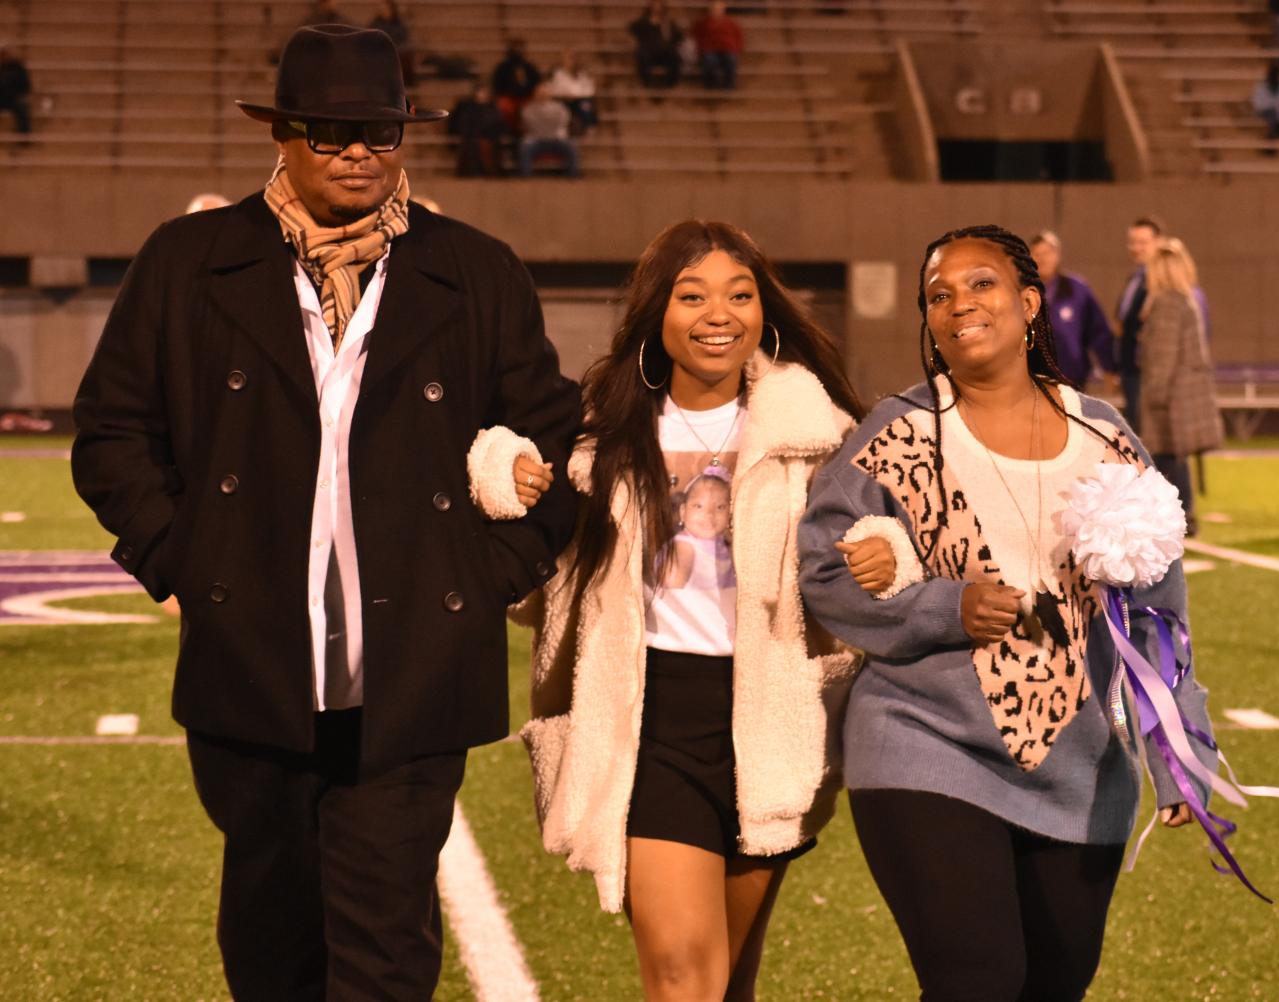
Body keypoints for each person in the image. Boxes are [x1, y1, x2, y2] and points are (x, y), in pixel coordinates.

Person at [69, 26, 581, 999]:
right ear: (286, 135)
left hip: (414, 671)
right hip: (251, 667)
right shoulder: (188, 260)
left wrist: (492, 574)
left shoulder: (473, 269)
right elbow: (111, 435)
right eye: (333, 130)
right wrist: (184, 558)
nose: (358, 152)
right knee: (270, 946)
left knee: (385, 951)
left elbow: (560, 441)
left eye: (380, 133)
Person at [797, 225, 1213, 1002]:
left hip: (1080, 768)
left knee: (1053, 984)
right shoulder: (897, 434)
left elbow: (1160, 611)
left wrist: (1178, 748)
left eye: (980, 284)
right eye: (938, 295)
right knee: (975, 982)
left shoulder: (1106, 440)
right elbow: (823, 570)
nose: (959, 304)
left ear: (1028, 303)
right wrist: (943, 607)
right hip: (922, 742)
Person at [490, 219, 869, 1001]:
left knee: (728, 981)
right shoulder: (599, 433)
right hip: (645, 719)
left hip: (770, 722)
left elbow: (865, 544)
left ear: (765, 311)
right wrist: (508, 479)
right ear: (655, 312)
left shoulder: (814, 430)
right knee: (680, 979)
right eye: (691, 295)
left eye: (739, 294)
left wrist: (882, 553)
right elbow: (533, 591)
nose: (717, 313)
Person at [1138, 238, 1223, 536]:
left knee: (1167, 457)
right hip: (1181, 394)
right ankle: (1184, 513)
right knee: (1175, 456)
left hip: (1170, 398)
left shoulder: (1167, 304)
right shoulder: (1185, 299)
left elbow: (1163, 356)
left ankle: (1181, 514)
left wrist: (1155, 395)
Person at [1029, 230, 1115, 389]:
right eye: (1037, 254)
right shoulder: (1021, 291)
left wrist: (1108, 367)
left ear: (1057, 255)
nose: (1042, 259)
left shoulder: (1077, 290)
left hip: (1071, 376)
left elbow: (1099, 331)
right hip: (1032, 375)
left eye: (1047, 253)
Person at [1115, 215, 1162, 429]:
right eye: (1132, 242)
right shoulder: (1135, 279)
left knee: (1149, 439)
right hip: (1131, 370)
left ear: (1158, 242)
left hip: (1148, 372)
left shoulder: (1161, 281)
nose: (1136, 248)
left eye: (1142, 242)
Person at [517, 84, 580, 178]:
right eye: (540, 93)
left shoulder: (560, 107)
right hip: (536, 139)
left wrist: (544, 121)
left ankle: (573, 175)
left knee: (571, 145)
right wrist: (549, 120)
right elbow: (531, 124)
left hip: (557, 138)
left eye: (545, 92)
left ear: (550, 94)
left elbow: (563, 121)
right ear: (535, 94)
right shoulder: (528, 108)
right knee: (524, 146)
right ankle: (525, 175)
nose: (542, 95)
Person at [448, 82, 509, 176]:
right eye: (481, 92)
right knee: (474, 145)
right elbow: (464, 123)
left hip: (490, 136)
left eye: (485, 92)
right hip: (472, 136)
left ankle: (490, 171)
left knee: (487, 145)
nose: (483, 94)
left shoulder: (493, 107)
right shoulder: (468, 107)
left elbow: (499, 124)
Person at [630, 2, 685, 89]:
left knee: (675, 56)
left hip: (664, 52)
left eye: (659, 6)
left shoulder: (667, 22)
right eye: (654, 6)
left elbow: (678, 36)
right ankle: (646, 81)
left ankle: (671, 82)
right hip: (648, 51)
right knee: (641, 55)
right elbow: (633, 29)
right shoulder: (644, 21)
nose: (657, 8)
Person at [490, 39, 542, 129]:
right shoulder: (502, 68)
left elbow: (537, 84)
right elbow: (497, 86)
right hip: (509, 98)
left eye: (520, 48)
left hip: (527, 98)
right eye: (515, 48)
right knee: (504, 107)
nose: (518, 51)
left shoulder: (529, 67)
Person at [694, 1, 745, 90]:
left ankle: (729, 84)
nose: (716, 11)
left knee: (731, 60)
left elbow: (739, 37)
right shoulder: (703, 22)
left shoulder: (730, 23)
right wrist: (701, 48)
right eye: (714, 9)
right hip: (710, 49)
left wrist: (737, 49)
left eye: (719, 9)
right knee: (709, 60)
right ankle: (711, 84)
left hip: (727, 49)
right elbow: (697, 35)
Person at [547, 48, 598, 135]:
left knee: (586, 106)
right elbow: (551, 88)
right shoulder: (556, 73)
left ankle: (589, 127)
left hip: (579, 99)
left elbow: (589, 90)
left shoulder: (582, 74)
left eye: (571, 57)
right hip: (562, 99)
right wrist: (564, 95)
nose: (568, 60)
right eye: (566, 57)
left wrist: (577, 95)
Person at [369, 0, 416, 83]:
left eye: (385, 9)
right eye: (381, 9)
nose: (383, 11)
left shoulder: (399, 25)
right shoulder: (375, 25)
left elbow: (403, 40)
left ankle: (407, 84)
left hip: (397, 52)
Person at [0, 46, 32, 134]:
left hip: (15, 98)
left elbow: (26, 85)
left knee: (22, 109)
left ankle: (24, 138)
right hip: (3, 98)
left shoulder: (17, 68)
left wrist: (23, 96)